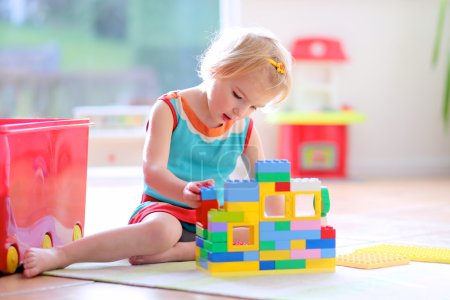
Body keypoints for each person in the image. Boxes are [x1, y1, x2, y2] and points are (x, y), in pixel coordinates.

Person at [22, 27, 293, 278]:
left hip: (213, 219)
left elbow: (265, 183)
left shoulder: (244, 127)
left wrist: (280, 215)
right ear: (218, 69)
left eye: (254, 107)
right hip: (165, 209)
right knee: (165, 231)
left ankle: (178, 253)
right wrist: (184, 190)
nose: (241, 112)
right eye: (237, 95)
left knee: (250, 233)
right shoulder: (170, 109)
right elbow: (153, 172)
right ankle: (63, 254)